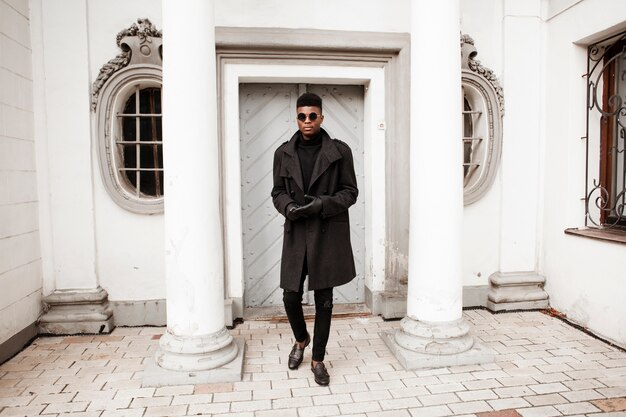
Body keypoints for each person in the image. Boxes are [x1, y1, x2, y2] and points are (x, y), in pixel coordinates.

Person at [271, 92, 358, 386]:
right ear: (296, 118)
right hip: (296, 231)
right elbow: (277, 193)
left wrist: (322, 204)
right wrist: (288, 207)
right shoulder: (282, 153)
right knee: (290, 295)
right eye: (301, 116)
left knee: (324, 300)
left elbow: (350, 192)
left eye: (312, 116)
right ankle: (301, 339)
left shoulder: (340, 152)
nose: (306, 121)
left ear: (321, 117)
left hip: (326, 233)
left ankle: (318, 359)